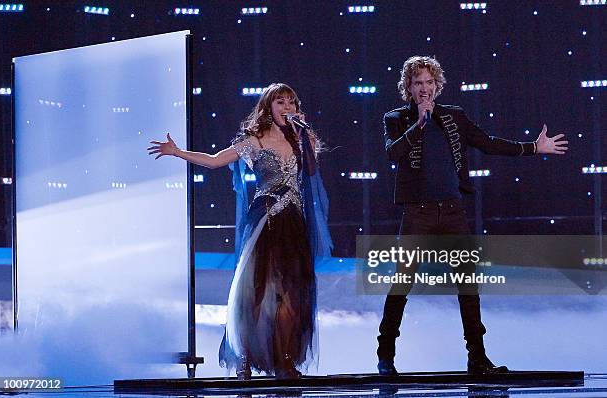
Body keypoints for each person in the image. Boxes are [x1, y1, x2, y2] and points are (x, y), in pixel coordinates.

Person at [377, 56, 568, 375]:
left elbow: (487, 143)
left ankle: (477, 357)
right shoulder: (395, 118)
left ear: (437, 85)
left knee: (467, 285)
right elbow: (392, 153)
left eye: (429, 82)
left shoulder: (454, 116)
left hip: (452, 211)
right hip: (418, 213)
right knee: (403, 283)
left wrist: (533, 148)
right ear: (408, 88)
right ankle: (386, 356)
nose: (424, 89)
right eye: (417, 83)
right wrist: (419, 124)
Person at [148, 83, 332, 380]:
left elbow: (310, 172)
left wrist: (303, 141)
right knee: (257, 292)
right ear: (268, 107)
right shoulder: (254, 140)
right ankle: (245, 357)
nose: (287, 107)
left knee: (292, 296)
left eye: (291, 102)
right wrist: (177, 152)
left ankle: (285, 361)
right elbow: (214, 161)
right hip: (266, 222)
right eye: (280, 102)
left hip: (294, 225)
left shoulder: (303, 138)